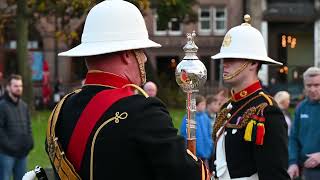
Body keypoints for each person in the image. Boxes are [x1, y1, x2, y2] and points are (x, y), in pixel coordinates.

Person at [45, 1, 209, 180]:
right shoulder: (143, 112)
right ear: (127, 55)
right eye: (141, 51)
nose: (145, 58)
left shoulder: (61, 109)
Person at [211, 14, 290, 179]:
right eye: (224, 58)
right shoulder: (227, 108)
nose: (225, 63)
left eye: (232, 59)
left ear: (253, 63)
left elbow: (274, 174)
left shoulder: (266, 110)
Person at [288, 67, 320, 180]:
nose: (312, 89)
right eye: (309, 85)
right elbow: (293, 138)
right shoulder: (301, 108)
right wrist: (292, 162)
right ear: (304, 86)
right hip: (306, 171)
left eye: (317, 85)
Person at [0, 74, 34, 180]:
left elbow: (29, 127)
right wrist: (10, 146)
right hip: (6, 154)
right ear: (8, 87)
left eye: (20, 86)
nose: (19, 88)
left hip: (22, 154)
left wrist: (30, 143)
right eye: (15, 86)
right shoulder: (2, 106)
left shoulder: (24, 106)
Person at [180, 95, 213, 165]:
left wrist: (210, 145)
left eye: (204, 104)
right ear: (196, 105)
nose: (204, 106)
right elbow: (184, 133)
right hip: (193, 152)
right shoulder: (188, 117)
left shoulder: (206, 117)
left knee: (205, 172)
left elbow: (209, 133)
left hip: (205, 152)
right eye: (202, 104)